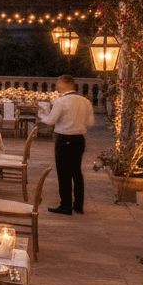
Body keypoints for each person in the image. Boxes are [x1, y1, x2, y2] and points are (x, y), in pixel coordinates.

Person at [39, 75, 94, 215]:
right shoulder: (86, 101)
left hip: (64, 139)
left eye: (58, 83)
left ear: (65, 84)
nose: (57, 86)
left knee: (64, 173)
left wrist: (42, 116)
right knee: (77, 172)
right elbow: (90, 123)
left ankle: (66, 205)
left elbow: (51, 121)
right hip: (79, 139)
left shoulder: (61, 101)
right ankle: (78, 206)